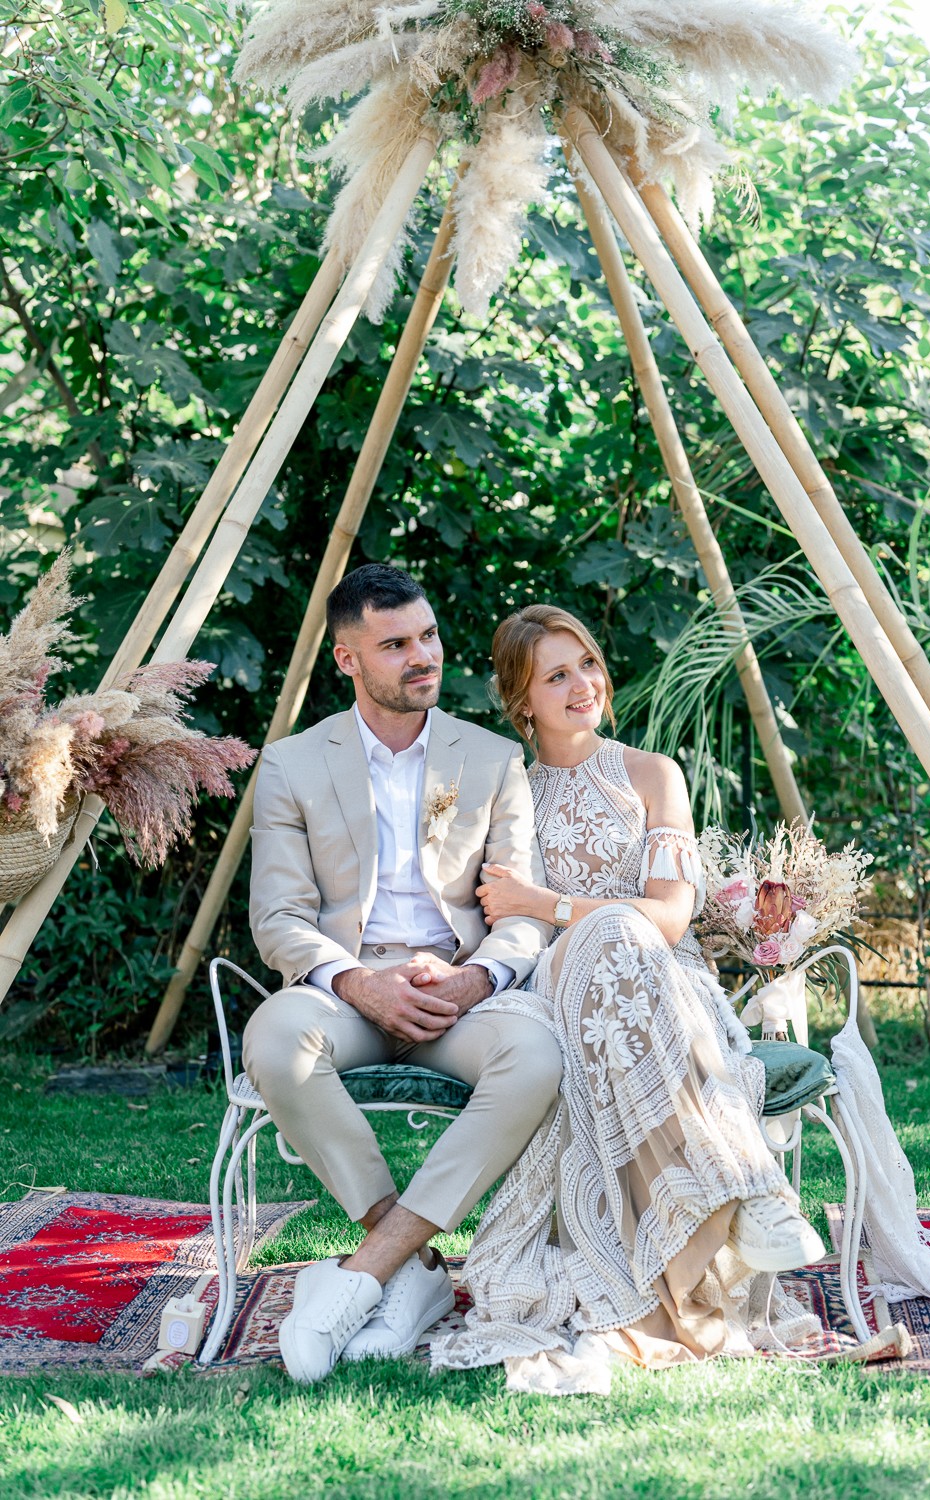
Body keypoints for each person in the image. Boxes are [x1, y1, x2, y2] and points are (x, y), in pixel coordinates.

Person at [431, 604, 824, 1389]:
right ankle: (735, 1190)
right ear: (522, 703)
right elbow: (496, 930)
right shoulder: (506, 797)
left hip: (666, 986)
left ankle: (707, 1219)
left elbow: (671, 915)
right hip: (558, 996)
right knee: (607, 937)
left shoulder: (651, 774)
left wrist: (549, 904)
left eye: (587, 664)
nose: (583, 684)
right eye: (556, 675)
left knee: (623, 936)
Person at [243, 565, 563, 1384]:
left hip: (458, 989)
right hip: (345, 991)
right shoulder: (290, 764)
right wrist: (353, 982)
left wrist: (477, 980)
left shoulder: (492, 760)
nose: (422, 657)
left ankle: (365, 1273)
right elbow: (277, 917)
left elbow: (522, 912)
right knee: (276, 1041)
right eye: (395, 646)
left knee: (536, 1058)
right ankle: (411, 1268)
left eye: (427, 636)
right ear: (347, 660)